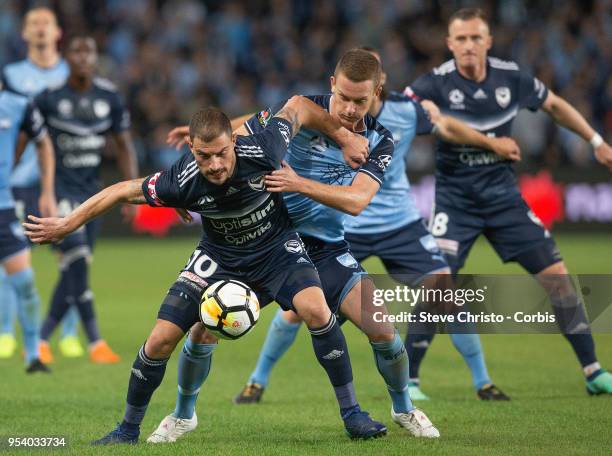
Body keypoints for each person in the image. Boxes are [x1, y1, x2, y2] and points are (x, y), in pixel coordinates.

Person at [24, 97, 395, 443]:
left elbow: (297, 106)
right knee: (160, 340)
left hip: (276, 250)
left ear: (233, 141)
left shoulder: (264, 148)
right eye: (205, 157)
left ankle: (352, 414)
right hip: (220, 258)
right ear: (192, 151)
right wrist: (66, 224)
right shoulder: (181, 180)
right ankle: (128, 429)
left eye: (221, 153)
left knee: (316, 309)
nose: (215, 164)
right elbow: (122, 190)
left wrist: (345, 137)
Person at [230, 46, 514, 406]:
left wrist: (491, 142)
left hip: (398, 222)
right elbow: (269, 119)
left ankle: (482, 381)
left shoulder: (405, 114)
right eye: (344, 96)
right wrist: (214, 132)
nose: (349, 107)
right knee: (297, 309)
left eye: (359, 98)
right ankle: (257, 381)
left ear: (378, 86)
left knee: (444, 290)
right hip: (341, 227)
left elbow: (445, 125)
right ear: (335, 83)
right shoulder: (314, 111)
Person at [403, 7, 612, 395]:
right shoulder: (432, 85)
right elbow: (398, 117)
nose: (468, 45)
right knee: (437, 285)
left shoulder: (511, 78)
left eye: (475, 38)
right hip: (455, 202)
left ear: (488, 41)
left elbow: (555, 105)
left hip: (504, 201)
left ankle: (594, 371)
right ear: (449, 44)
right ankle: (410, 380)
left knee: (560, 281)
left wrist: (596, 142)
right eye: (460, 39)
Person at [34, 35, 139, 364]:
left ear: (95, 58)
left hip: (94, 196)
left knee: (72, 271)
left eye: (88, 51)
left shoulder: (109, 97)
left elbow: (124, 145)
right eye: (76, 52)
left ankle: (39, 340)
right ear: (67, 57)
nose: (82, 58)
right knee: (77, 263)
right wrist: (41, 192)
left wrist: (131, 193)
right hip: (61, 193)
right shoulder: (49, 99)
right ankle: (96, 342)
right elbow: (31, 143)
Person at [0, 5, 81, 360]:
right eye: (33, 23)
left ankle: (69, 333)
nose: (39, 29)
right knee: (13, 260)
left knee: (74, 257)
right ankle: (6, 331)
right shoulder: (13, 76)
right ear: (24, 33)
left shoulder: (73, 73)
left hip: (67, 180)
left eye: (46, 23)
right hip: (18, 181)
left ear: (57, 31)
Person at [0, 81, 55, 373]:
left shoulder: (17, 104)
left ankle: (33, 354)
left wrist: (47, 192)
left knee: (24, 281)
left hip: (4, 207)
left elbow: (44, 142)